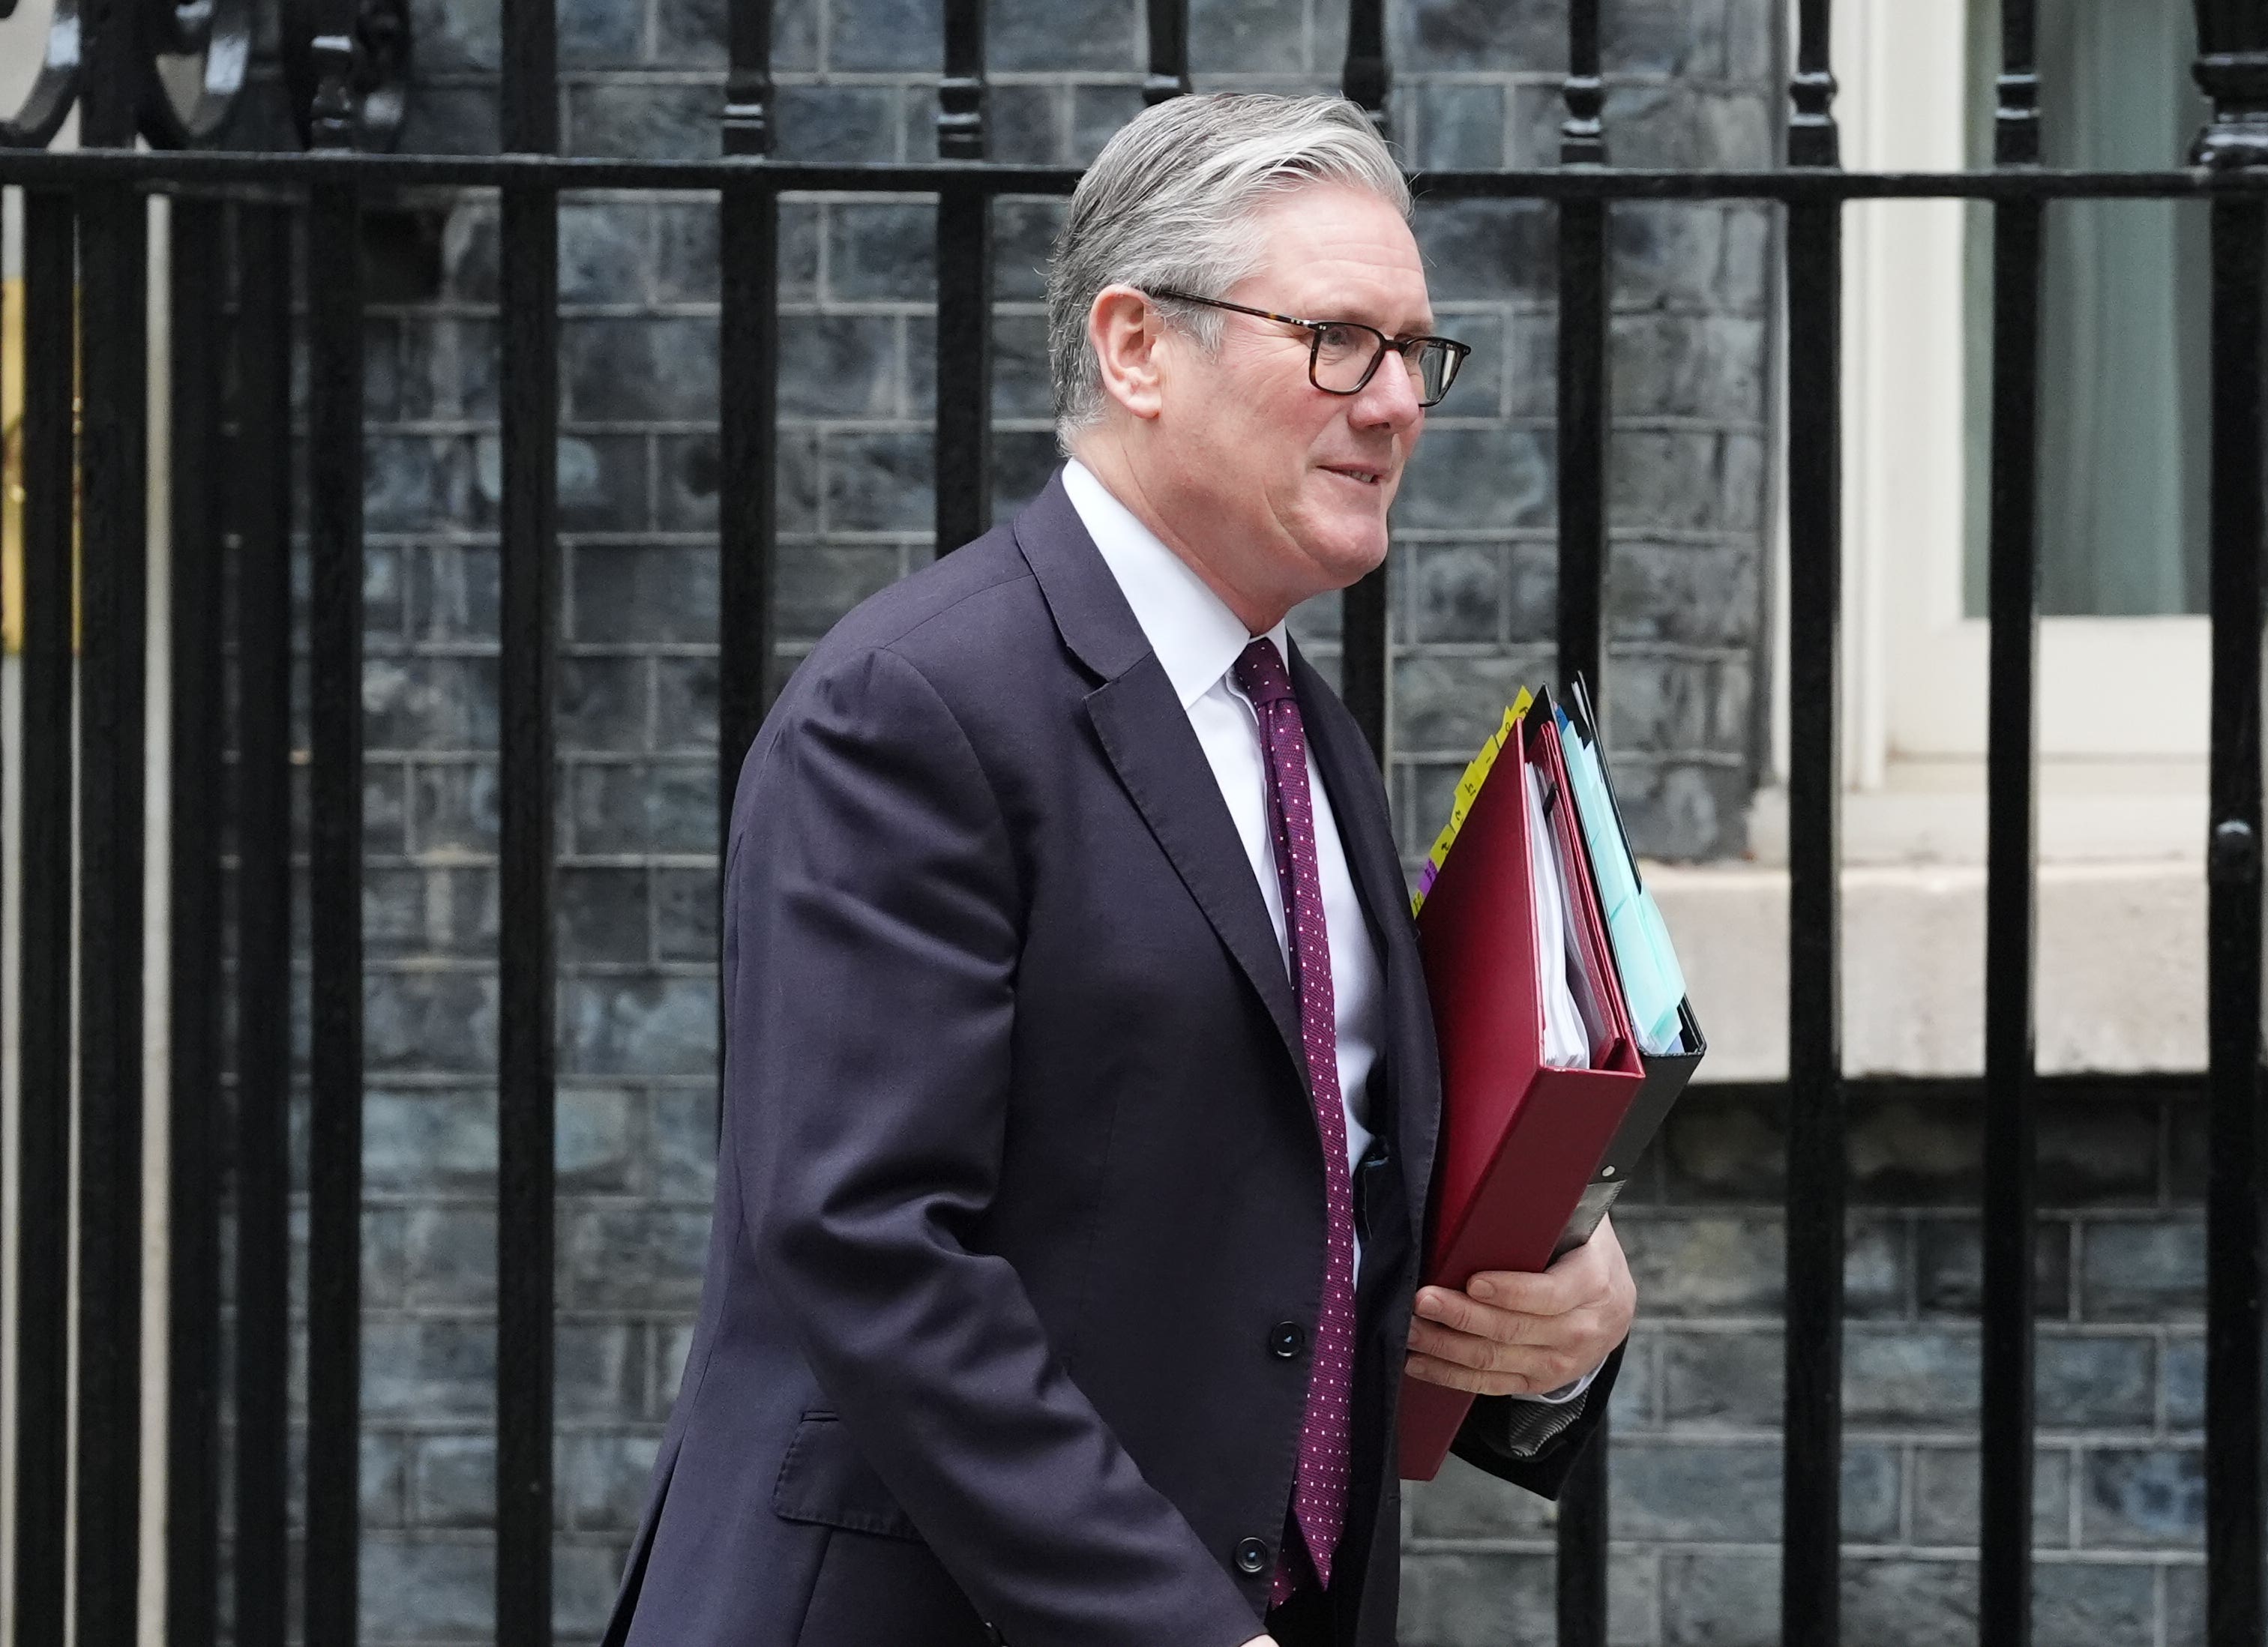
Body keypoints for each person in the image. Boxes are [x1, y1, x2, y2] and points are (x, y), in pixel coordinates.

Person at [599, 91, 1637, 1647]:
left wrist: (1553, 1315)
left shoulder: (1309, 739)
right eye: (1337, 340)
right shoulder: (915, 705)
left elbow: (1298, 1211)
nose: (1397, 401)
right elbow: (868, 1243)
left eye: (1416, 352)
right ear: (1137, 344)